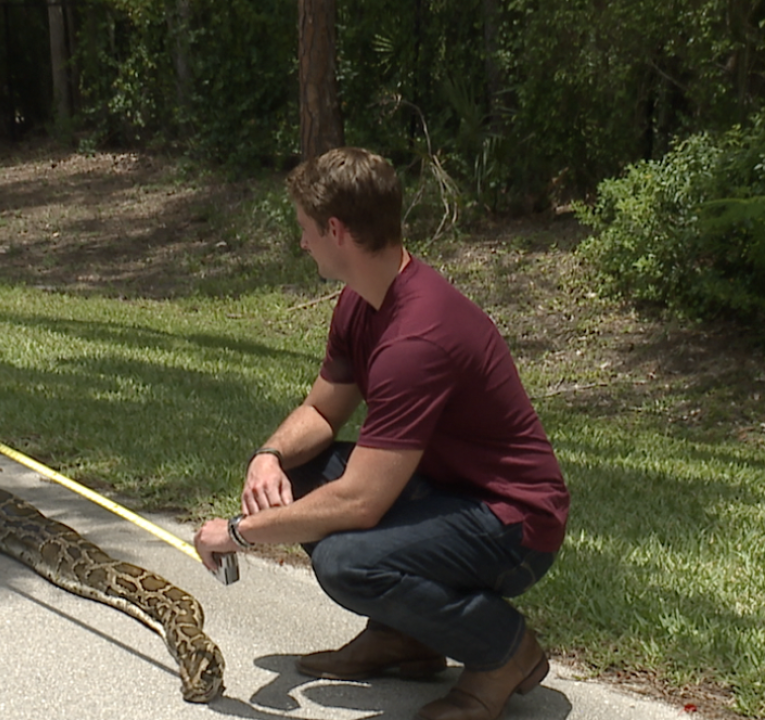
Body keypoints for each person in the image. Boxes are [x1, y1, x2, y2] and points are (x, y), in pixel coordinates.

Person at [193, 147, 570, 720]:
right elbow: (323, 412)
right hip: (446, 493)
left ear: (336, 231)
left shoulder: (417, 336)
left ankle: (504, 651)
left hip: (513, 523)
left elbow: (362, 501)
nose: (301, 243)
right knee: (295, 476)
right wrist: (268, 456)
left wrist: (239, 533)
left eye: (305, 230)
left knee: (347, 560)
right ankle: (405, 640)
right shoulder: (361, 301)